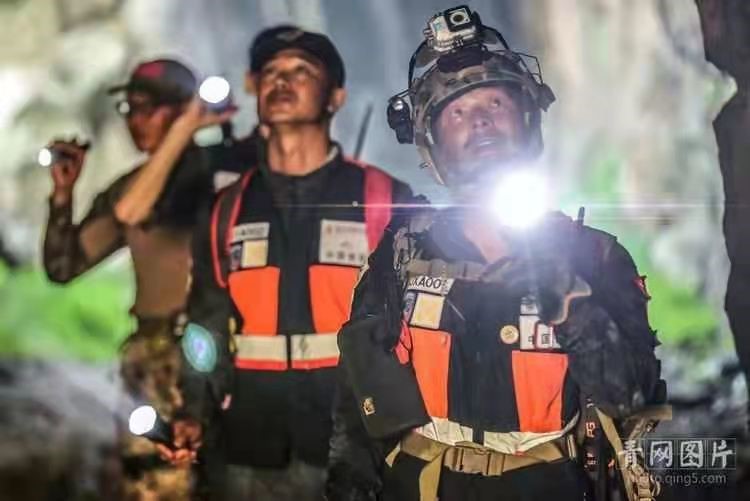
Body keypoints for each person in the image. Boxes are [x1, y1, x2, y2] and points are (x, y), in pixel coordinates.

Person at [327, 6, 664, 501]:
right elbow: (357, 401)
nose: (480, 120)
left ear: (527, 120)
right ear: (432, 143)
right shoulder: (401, 253)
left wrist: (574, 308)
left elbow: (632, 396)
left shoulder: (594, 257)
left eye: (495, 103)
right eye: (457, 113)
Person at [164, 25, 414, 500]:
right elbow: (204, 325)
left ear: (335, 98)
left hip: (355, 443)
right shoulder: (226, 209)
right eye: (271, 72)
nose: (282, 80)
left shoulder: (383, 198)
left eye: (302, 71)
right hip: (251, 443)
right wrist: (194, 409)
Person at [42, 58, 234, 500]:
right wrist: (62, 196)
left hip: (216, 351)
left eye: (148, 108)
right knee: (151, 484)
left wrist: (191, 129)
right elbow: (64, 266)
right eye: (129, 109)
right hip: (153, 359)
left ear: (184, 109)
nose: (136, 120)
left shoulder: (219, 175)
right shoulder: (129, 191)